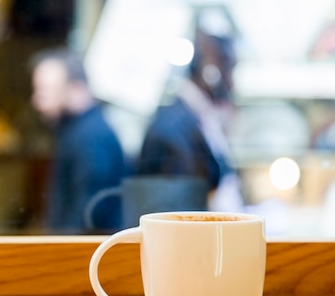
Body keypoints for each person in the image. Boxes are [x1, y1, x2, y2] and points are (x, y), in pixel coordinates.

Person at [138, 25, 244, 212]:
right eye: (229, 68)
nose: (232, 82)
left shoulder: (200, 120)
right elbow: (179, 214)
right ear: (211, 71)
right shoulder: (172, 129)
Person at [30, 47, 126, 234]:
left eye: (46, 91)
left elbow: (88, 215)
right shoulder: (77, 130)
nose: (37, 101)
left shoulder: (91, 138)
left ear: (76, 88)